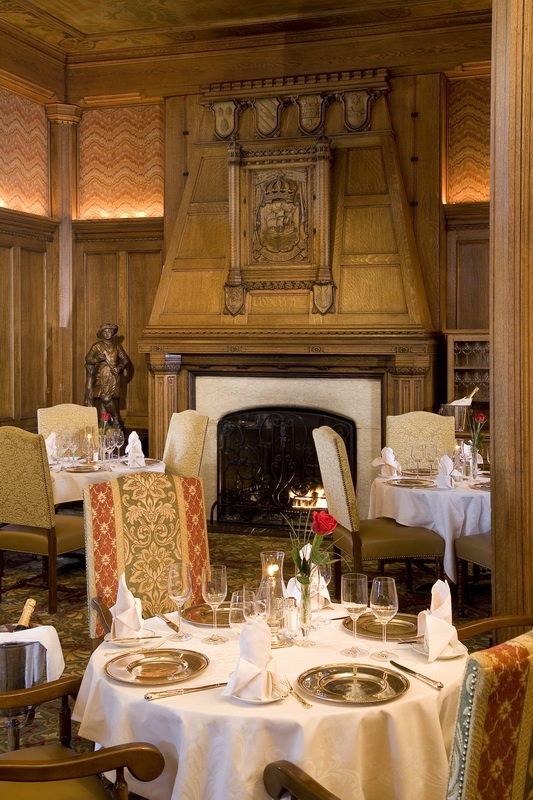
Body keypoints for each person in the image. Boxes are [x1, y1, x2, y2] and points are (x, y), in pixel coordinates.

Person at [84, 323, 130, 429]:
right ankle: (113, 420)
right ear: (102, 334)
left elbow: (125, 359)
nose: (108, 333)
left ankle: (107, 422)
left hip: (113, 376)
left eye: (110, 331)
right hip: (101, 376)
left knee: (107, 398)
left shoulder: (117, 346)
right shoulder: (97, 346)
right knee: (104, 397)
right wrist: (97, 359)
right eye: (105, 332)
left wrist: (119, 367)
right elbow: (88, 359)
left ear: (113, 333)